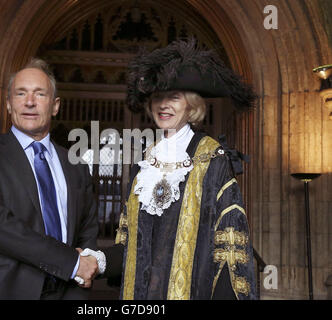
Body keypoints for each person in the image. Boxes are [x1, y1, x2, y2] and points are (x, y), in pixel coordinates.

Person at [87, 38, 258, 299]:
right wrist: (97, 261)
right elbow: (131, 247)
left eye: (174, 97)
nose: (164, 105)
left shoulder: (212, 159)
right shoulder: (144, 164)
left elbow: (230, 251)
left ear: (191, 105)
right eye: (158, 97)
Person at [0, 58, 99, 300]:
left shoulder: (76, 165)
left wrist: (82, 272)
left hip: (65, 292)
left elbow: (87, 231)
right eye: (21, 94)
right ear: (9, 104)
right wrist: (71, 262)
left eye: (40, 94)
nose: (29, 102)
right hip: (0, 291)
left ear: (55, 105)